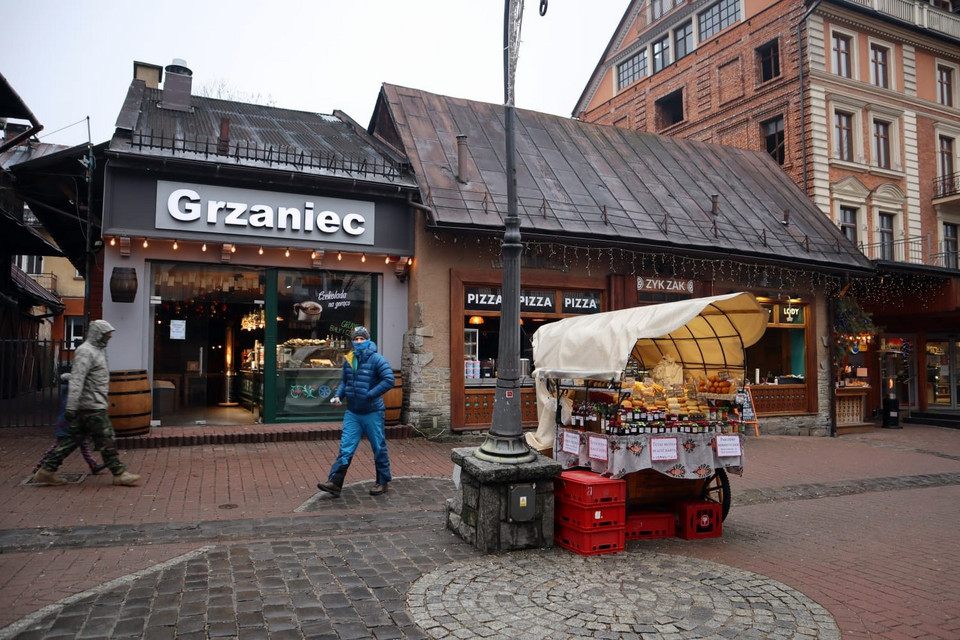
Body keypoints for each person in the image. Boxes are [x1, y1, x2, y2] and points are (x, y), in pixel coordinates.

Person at [33, 320, 141, 487]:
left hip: (92, 403)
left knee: (71, 440)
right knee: (106, 438)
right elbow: (77, 379)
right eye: (107, 333)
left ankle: (47, 470)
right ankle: (119, 473)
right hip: (90, 405)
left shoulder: (99, 351)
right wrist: (71, 406)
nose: (110, 336)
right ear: (98, 333)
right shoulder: (86, 351)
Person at [317, 326, 394, 497]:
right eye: (356, 339)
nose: (359, 342)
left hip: (372, 411)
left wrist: (370, 394)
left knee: (378, 447)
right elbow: (344, 381)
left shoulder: (377, 359)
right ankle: (335, 483)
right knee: (346, 447)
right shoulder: (349, 359)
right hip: (352, 412)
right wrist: (338, 396)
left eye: (362, 339)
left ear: (368, 340)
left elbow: (389, 380)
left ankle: (383, 481)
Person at [34, 371, 105, 475]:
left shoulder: (67, 391)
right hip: (68, 424)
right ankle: (40, 465)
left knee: (83, 445)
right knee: (58, 446)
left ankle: (93, 465)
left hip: (67, 423)